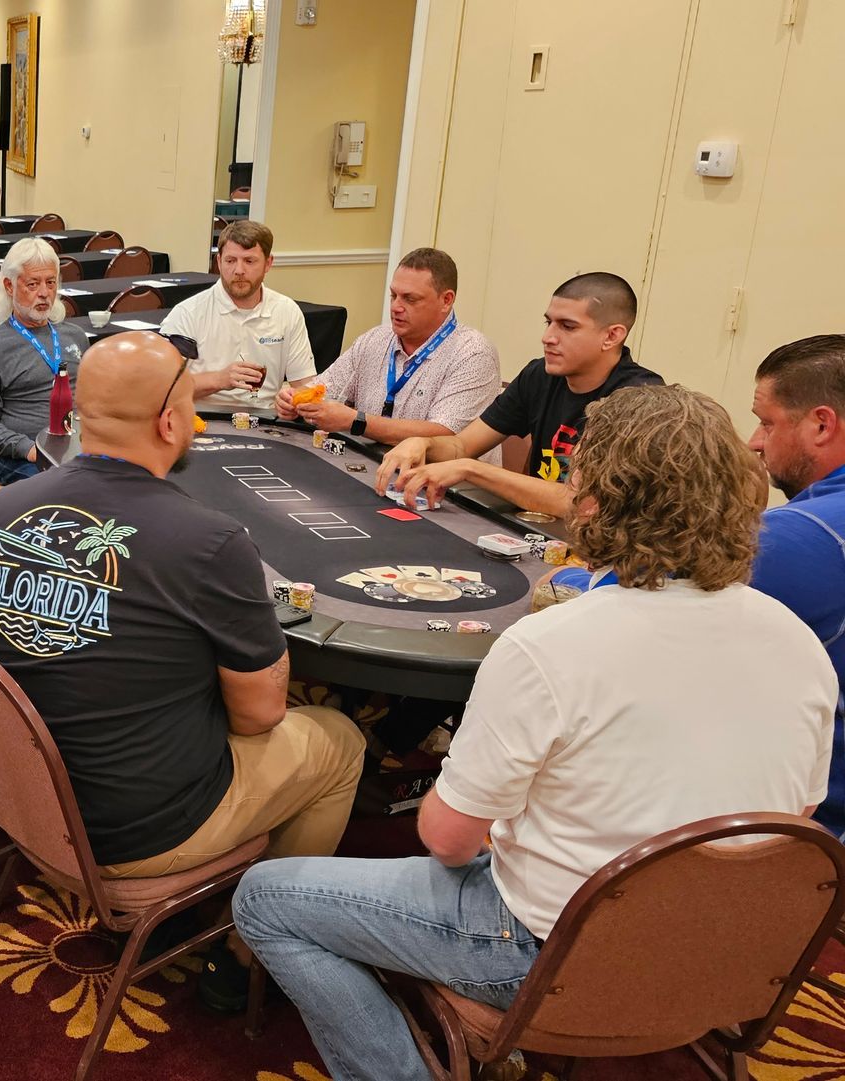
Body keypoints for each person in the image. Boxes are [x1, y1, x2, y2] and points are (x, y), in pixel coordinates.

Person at [235, 384, 835, 1081]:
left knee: (265, 897)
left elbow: (446, 839)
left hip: (549, 958)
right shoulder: (800, 644)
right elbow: (793, 822)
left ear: (591, 503)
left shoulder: (546, 645)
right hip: (730, 958)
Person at [0, 331, 366, 1006]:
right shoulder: (211, 541)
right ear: (173, 421)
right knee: (339, 741)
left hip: (22, 802)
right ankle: (247, 947)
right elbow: (259, 715)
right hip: (139, 831)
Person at [374, 272, 661, 517]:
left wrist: (471, 470)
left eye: (567, 326)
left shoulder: (637, 399)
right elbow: (462, 446)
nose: (548, 337)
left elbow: (577, 502)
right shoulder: (540, 375)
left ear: (612, 336)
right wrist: (423, 444)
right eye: (548, 322)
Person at [747, 334, 845, 833]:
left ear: (822, 424)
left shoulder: (803, 535)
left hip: (813, 829)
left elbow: (639, 600)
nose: (755, 442)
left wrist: (573, 577)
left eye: (767, 422)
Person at [274, 247, 501, 452]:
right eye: (394, 295)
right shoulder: (375, 339)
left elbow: (445, 436)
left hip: (444, 484)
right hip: (374, 468)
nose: (396, 307)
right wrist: (295, 401)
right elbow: (323, 389)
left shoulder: (473, 354)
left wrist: (357, 421)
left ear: (446, 300)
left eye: (410, 299)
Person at [159, 220, 315, 411]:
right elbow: (163, 388)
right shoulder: (188, 313)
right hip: (202, 419)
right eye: (230, 261)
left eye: (249, 261)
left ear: (268, 263)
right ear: (218, 262)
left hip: (267, 422)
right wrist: (219, 379)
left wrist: (291, 402)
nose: (239, 270)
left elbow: (305, 384)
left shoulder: (287, 311)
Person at [0, 237, 93, 483]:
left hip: (80, 449)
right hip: (24, 459)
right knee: (68, 486)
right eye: (33, 284)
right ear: (9, 286)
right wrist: (28, 449)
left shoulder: (76, 336)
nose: (44, 293)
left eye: (51, 283)